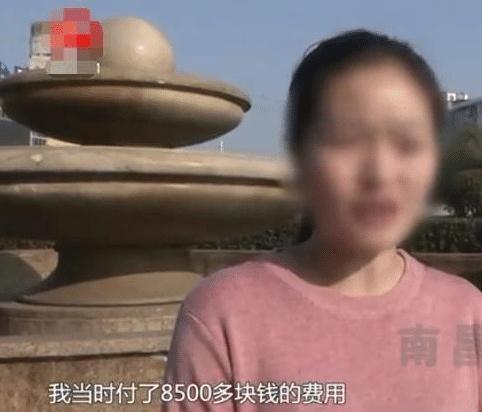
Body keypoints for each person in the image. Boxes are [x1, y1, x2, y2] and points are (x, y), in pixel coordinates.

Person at [161, 29, 482, 411]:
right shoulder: (223, 315)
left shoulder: (467, 312)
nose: (380, 173)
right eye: (347, 140)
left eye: (407, 143)